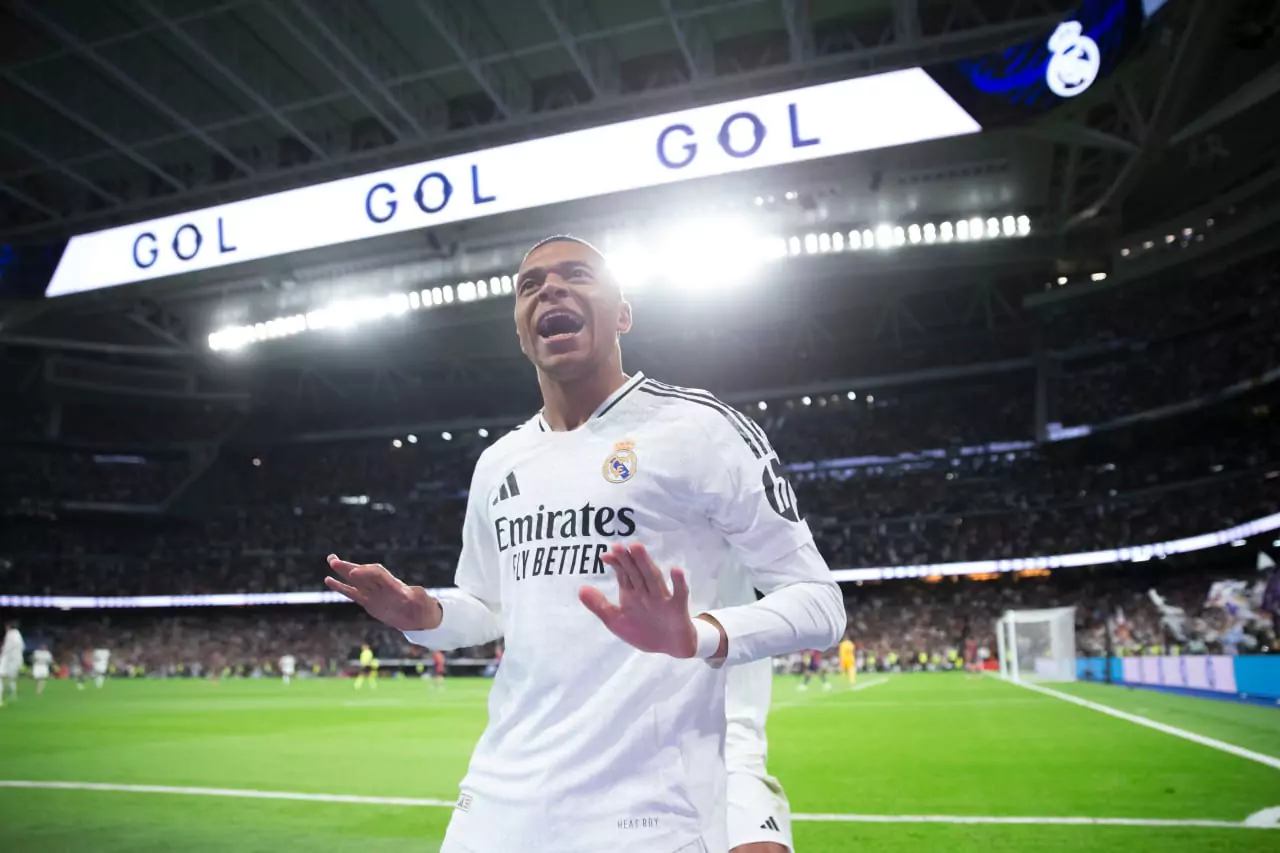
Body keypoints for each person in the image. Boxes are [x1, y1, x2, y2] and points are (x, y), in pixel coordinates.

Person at [325, 235, 845, 853]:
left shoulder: (701, 430)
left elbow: (820, 603)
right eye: (530, 285)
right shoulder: (499, 463)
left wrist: (695, 634)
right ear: (521, 331)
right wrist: (424, 614)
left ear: (622, 314)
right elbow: (487, 607)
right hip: (498, 803)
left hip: (652, 812)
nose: (550, 288)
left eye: (576, 274)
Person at [0, 620, 24, 706]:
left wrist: (2, 653)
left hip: (8, 660)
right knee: (9, 679)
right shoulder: (17, 635)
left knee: (2, 679)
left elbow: (7, 648)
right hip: (14, 661)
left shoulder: (11, 634)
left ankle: (1, 699)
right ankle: (11, 695)